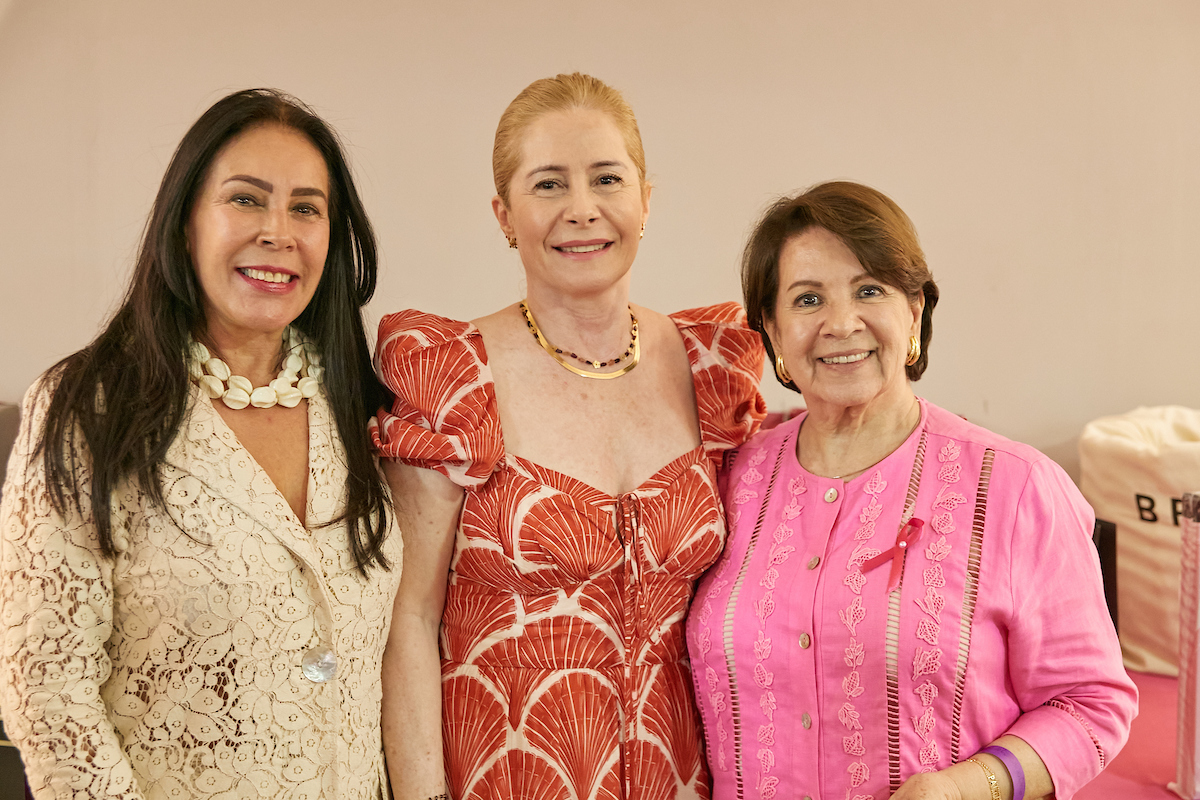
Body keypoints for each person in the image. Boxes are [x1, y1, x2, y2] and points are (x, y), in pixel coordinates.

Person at [374, 72, 766, 800]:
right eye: (548, 185)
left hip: (683, 778)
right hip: (501, 775)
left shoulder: (712, 364)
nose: (581, 210)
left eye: (606, 179)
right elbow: (410, 620)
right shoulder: (452, 376)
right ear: (504, 214)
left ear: (645, 200)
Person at [0, 89, 401, 799]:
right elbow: (47, 692)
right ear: (185, 223)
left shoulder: (361, 407)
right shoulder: (86, 407)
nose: (279, 231)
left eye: (306, 208)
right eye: (246, 200)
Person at [685, 181, 1137, 800]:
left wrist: (966, 787)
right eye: (808, 298)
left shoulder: (1015, 488)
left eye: (869, 290)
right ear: (771, 328)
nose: (841, 323)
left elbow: (1091, 704)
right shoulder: (725, 479)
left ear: (915, 312)